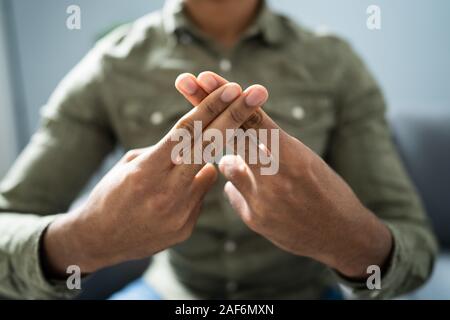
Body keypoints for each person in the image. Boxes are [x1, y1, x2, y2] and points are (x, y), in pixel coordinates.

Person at [0, 0, 437, 300]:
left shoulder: (336, 63)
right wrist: (86, 239)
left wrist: (344, 238)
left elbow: (415, 245)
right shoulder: (109, 65)